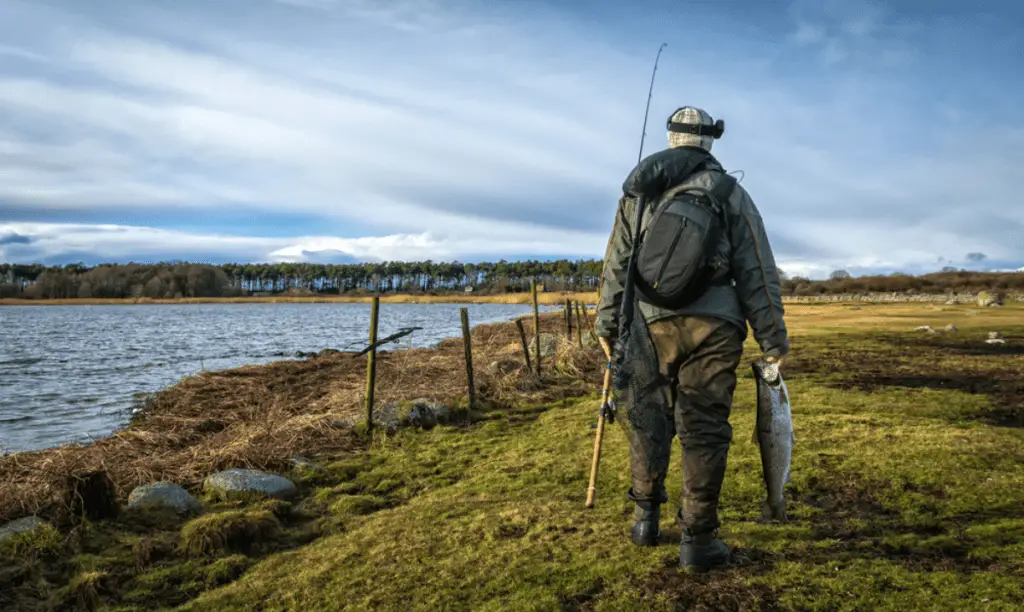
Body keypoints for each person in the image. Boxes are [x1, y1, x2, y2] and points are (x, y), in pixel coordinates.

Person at [594, 106, 789, 571]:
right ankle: (699, 542)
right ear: (709, 143)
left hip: (646, 324)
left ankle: (645, 521)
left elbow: (618, 261)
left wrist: (606, 322)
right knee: (704, 428)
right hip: (715, 327)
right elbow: (756, 269)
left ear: (671, 138)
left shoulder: (638, 192)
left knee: (647, 419)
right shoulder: (730, 193)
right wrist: (771, 337)